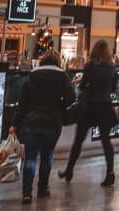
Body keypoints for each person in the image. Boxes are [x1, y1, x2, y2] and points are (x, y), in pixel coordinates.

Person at [10, 50, 75, 204]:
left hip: (31, 122)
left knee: (30, 158)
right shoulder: (62, 77)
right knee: (47, 156)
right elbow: (71, 98)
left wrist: (14, 123)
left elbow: (23, 102)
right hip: (53, 122)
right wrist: (59, 105)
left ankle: (26, 193)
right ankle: (42, 188)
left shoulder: (32, 76)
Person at [59, 40, 118, 186]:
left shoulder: (90, 66)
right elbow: (113, 89)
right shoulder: (111, 67)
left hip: (89, 107)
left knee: (78, 140)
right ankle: (110, 173)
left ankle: (69, 170)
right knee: (106, 141)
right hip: (105, 106)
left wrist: (87, 85)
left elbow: (83, 85)